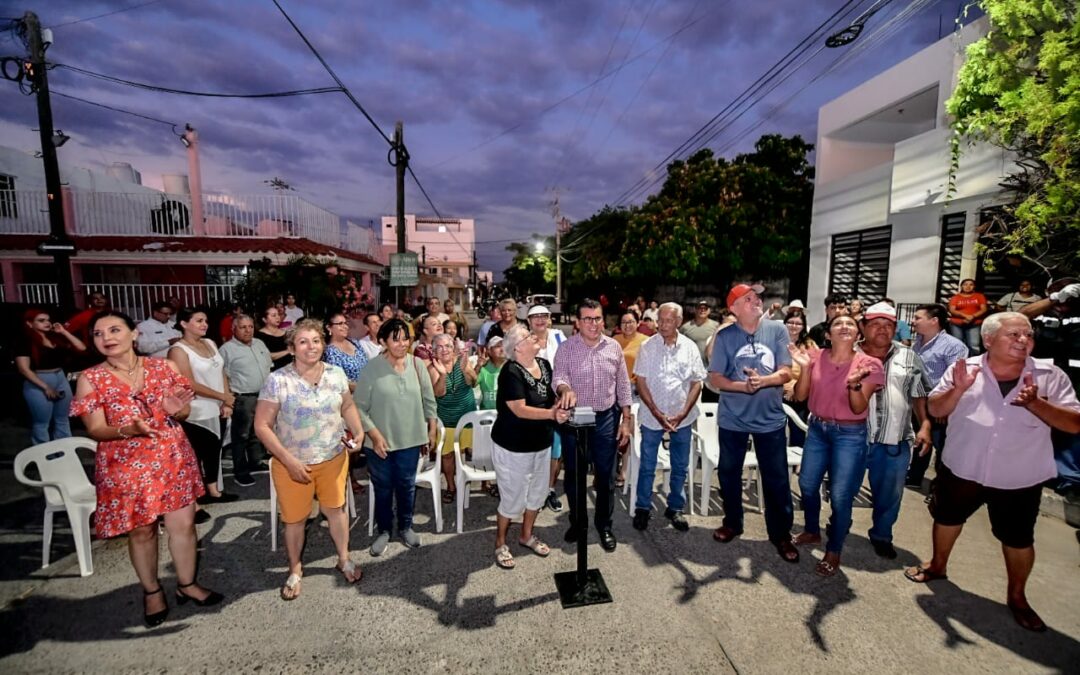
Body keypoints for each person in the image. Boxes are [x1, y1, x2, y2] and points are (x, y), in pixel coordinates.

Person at [904, 312, 1080, 632]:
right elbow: (937, 409)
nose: (1023, 340)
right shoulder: (964, 369)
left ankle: (1017, 597)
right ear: (988, 340)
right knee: (946, 518)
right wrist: (957, 390)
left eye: (1027, 335)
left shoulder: (1049, 375)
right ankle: (937, 565)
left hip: (1019, 477)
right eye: (1013, 335)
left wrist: (1036, 404)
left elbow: (1073, 422)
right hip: (963, 467)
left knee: (1018, 538)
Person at [70, 311, 222, 627]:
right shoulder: (91, 378)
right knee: (142, 531)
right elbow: (96, 429)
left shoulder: (163, 367)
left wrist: (176, 410)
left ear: (134, 334)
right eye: (98, 334)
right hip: (125, 463)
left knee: (183, 524)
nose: (107, 338)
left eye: (114, 330)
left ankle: (187, 584)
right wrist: (130, 429)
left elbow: (182, 411)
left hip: (171, 456)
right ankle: (152, 591)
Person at [254, 318, 366, 600]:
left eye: (316, 341)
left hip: (333, 457)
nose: (310, 347)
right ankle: (295, 569)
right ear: (292, 348)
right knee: (294, 520)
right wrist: (288, 460)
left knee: (336, 511)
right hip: (292, 463)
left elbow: (348, 406)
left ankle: (343, 558)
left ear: (323, 344)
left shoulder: (336, 373)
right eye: (303, 342)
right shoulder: (278, 380)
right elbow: (262, 426)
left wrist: (360, 431)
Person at [708, 284, 799, 564]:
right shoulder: (725, 337)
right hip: (733, 419)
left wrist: (763, 381)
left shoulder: (777, 330)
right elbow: (715, 379)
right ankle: (733, 522)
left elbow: (786, 372)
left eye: (757, 297)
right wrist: (742, 387)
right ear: (734, 309)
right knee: (728, 474)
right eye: (749, 298)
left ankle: (781, 534)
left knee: (777, 479)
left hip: (769, 419)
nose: (757, 300)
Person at [789, 314, 885, 577]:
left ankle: (834, 548)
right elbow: (799, 395)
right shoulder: (815, 356)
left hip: (850, 433)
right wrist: (806, 369)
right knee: (807, 485)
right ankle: (811, 530)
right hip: (818, 429)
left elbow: (858, 407)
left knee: (841, 495)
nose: (844, 326)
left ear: (858, 334)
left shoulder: (870, 364)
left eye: (851, 324)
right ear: (828, 334)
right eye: (838, 324)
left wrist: (854, 384)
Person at [553, 299, 634, 552]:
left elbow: (623, 386)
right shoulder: (566, 348)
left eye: (597, 318)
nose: (593, 323)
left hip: (606, 418)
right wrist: (565, 389)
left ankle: (604, 525)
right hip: (575, 418)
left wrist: (626, 421)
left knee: (606, 476)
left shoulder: (614, 348)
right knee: (574, 477)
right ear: (577, 322)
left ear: (603, 320)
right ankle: (578, 523)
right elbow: (559, 376)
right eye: (587, 318)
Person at [353, 318, 439, 556]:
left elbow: (429, 400)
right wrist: (375, 435)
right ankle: (384, 530)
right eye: (396, 339)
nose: (402, 344)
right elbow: (358, 408)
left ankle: (405, 526)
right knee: (382, 488)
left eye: (406, 338)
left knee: (407, 486)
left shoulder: (417, 364)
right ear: (383, 341)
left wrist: (431, 429)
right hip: (379, 442)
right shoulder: (372, 368)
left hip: (411, 440)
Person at [490, 324, 570, 569]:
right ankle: (500, 542)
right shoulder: (510, 371)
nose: (535, 336)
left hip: (541, 443)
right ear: (518, 347)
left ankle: (525, 535)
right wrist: (551, 415)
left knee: (537, 493)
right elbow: (519, 409)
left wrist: (563, 400)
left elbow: (551, 395)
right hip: (513, 446)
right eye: (528, 335)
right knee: (512, 497)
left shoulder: (544, 365)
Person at [857, 302, 932, 559]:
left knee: (890, 495)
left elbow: (919, 394)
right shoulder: (849, 353)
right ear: (863, 327)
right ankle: (838, 528)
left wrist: (924, 424)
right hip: (853, 439)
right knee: (842, 490)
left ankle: (881, 534)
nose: (882, 330)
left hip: (894, 439)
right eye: (876, 324)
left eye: (888, 325)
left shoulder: (909, 356)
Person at [632, 302, 706, 532]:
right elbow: (641, 381)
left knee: (680, 465)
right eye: (660, 320)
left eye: (668, 320)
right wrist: (655, 411)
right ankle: (643, 507)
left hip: (681, 417)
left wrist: (683, 412)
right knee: (647, 465)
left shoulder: (690, 347)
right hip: (652, 415)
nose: (662, 325)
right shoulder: (647, 346)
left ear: (679, 321)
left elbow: (697, 382)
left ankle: (675, 507)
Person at [168, 306, 237, 504]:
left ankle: (214, 491)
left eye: (205, 321)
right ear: (183, 324)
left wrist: (226, 400)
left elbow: (221, 371)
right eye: (198, 320)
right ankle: (195, 498)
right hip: (196, 409)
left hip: (217, 406)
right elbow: (188, 383)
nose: (204, 324)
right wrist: (222, 397)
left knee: (214, 450)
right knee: (196, 454)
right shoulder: (178, 350)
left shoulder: (210, 343)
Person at [1023, 279, 1080, 498]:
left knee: (1072, 423)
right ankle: (1042, 470)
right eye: (1058, 292)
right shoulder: (1041, 311)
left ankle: (1069, 479)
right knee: (1040, 424)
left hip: (1075, 377)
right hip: (1044, 377)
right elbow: (1022, 315)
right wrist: (1054, 299)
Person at [907, 304, 970, 488]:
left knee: (943, 446)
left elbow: (956, 378)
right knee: (921, 439)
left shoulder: (954, 346)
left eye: (918, 318)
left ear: (934, 321)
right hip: (919, 400)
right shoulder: (918, 342)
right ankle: (915, 477)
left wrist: (946, 405)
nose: (913, 321)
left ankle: (942, 486)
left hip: (940, 402)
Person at [17, 309, 86, 445]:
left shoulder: (55, 338)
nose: (47, 323)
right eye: (41, 321)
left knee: (63, 419)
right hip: (38, 380)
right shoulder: (25, 341)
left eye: (48, 320)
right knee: (42, 422)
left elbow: (81, 347)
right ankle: (44, 456)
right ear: (30, 324)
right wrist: (46, 387)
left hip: (59, 377)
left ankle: (64, 452)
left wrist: (64, 332)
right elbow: (23, 369)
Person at [219, 314, 272, 488]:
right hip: (243, 397)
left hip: (264, 395)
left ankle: (255, 461)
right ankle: (240, 471)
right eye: (243, 327)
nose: (248, 330)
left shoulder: (259, 344)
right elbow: (222, 375)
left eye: (250, 326)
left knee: (258, 431)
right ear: (234, 328)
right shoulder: (227, 349)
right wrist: (227, 399)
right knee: (241, 435)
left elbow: (268, 367)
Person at [428, 333, 479, 503]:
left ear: (453, 348)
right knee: (447, 455)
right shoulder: (432, 368)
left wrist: (466, 371)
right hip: (447, 419)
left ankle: (486, 482)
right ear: (434, 350)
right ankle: (451, 486)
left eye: (448, 346)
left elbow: (473, 382)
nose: (444, 350)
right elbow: (438, 393)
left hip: (468, 417)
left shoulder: (462, 361)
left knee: (478, 452)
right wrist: (442, 375)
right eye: (440, 347)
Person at [528, 304, 567, 512]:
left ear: (550, 318)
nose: (540, 320)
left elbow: (570, 364)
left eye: (544, 316)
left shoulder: (560, 337)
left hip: (556, 401)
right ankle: (534, 491)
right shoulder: (523, 340)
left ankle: (550, 489)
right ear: (528, 321)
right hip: (533, 403)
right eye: (535, 317)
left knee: (556, 450)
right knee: (535, 449)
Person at [782, 309, 816, 447]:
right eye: (790, 322)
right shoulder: (776, 341)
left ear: (803, 326)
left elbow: (814, 369)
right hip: (776, 390)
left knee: (798, 430)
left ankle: (797, 464)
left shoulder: (809, 344)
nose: (794, 326)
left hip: (799, 392)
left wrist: (794, 388)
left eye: (798, 323)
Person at [323, 312, 370, 392]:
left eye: (345, 323)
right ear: (329, 328)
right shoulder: (330, 351)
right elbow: (338, 380)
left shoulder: (354, 342)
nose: (345, 326)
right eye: (340, 323)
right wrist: (363, 389)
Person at [947, 278, 989, 355]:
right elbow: (952, 310)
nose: (968, 286)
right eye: (965, 284)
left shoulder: (979, 296)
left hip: (974, 324)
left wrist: (972, 316)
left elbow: (984, 309)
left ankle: (973, 363)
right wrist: (965, 316)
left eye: (971, 284)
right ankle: (958, 362)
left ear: (974, 286)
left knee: (974, 345)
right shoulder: (955, 297)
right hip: (957, 324)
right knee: (957, 344)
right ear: (961, 286)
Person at [614, 311, 649, 388]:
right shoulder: (615, 340)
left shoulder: (646, 341)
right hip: (615, 386)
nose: (627, 325)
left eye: (630, 322)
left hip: (635, 388)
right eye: (623, 322)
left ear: (638, 323)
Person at [679, 300, 720, 366]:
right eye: (699, 308)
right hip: (691, 366)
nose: (702, 310)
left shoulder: (716, 326)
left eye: (705, 308)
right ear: (695, 310)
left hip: (711, 366)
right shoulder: (685, 327)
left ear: (709, 311)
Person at [258, 305, 292, 371]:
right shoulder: (259, 336)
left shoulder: (285, 333)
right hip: (272, 371)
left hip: (289, 370)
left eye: (278, 315)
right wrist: (287, 351)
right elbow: (264, 356)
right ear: (264, 319)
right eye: (274, 315)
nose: (277, 317)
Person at [476, 336, 505, 411]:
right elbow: (472, 384)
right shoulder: (483, 368)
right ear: (489, 351)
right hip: (487, 413)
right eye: (498, 346)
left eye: (504, 346)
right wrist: (478, 366)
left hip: (506, 413)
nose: (502, 349)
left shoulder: (512, 367)